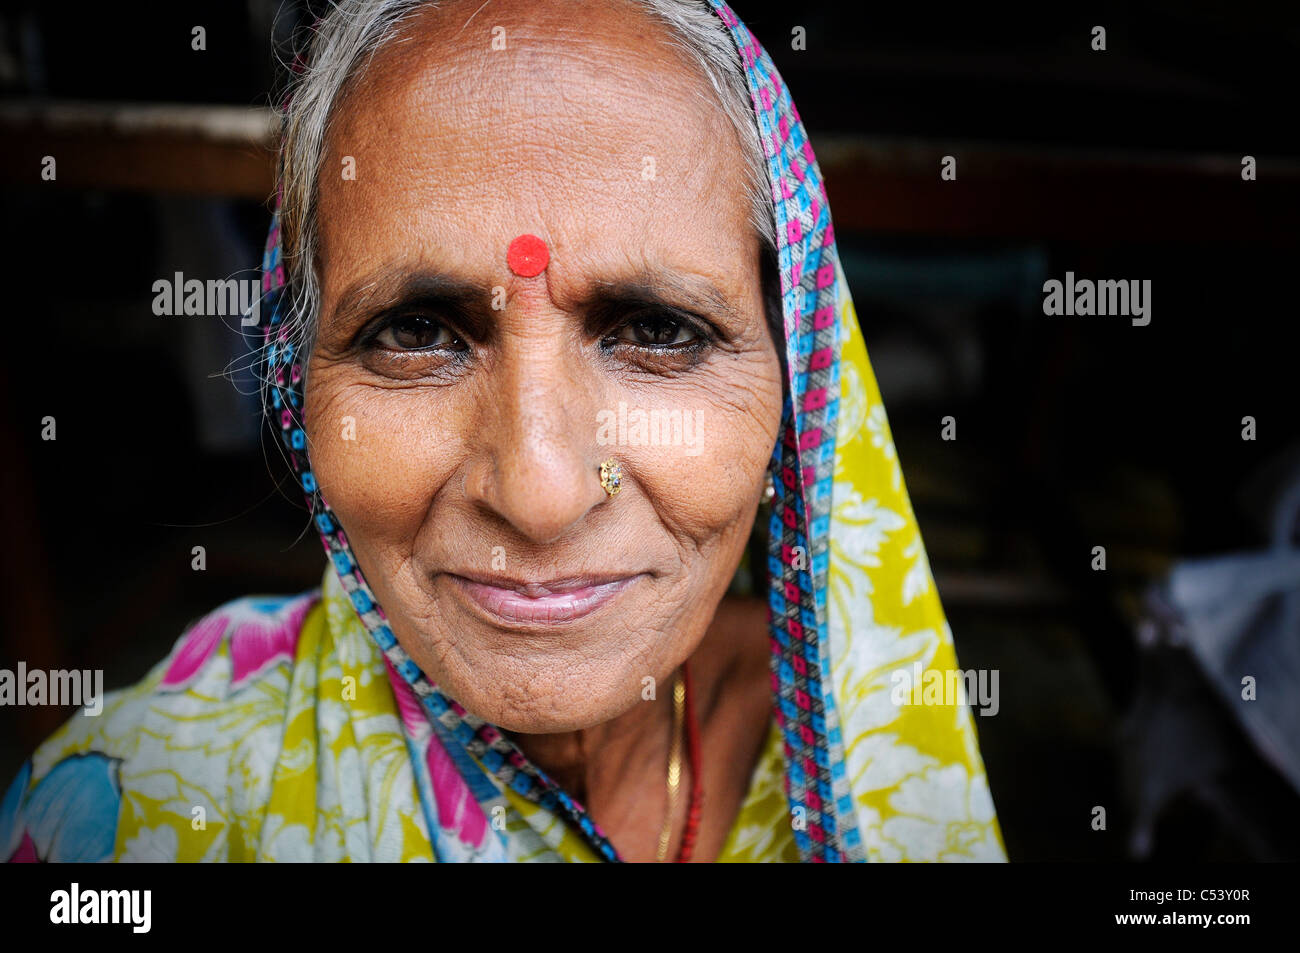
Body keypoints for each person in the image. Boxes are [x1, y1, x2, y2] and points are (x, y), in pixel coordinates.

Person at [1, 0, 1003, 862]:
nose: (538, 490)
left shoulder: (873, 735)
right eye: (417, 331)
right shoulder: (137, 810)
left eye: (656, 329)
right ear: (295, 375)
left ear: (800, 375)